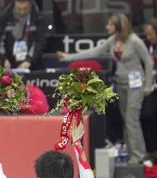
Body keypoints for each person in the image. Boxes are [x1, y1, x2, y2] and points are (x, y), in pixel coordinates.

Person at [58, 13, 153, 164]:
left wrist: (148, 84)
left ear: (118, 26)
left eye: (110, 24)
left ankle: (138, 155)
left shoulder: (134, 41)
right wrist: (68, 57)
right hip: (121, 83)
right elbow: (94, 52)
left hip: (136, 85)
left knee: (131, 120)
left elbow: (148, 61)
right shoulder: (112, 40)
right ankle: (130, 152)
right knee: (125, 119)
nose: (107, 27)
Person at [0, 50, 49, 114]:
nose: (15, 88)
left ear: (24, 86)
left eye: (18, 85)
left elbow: (41, 108)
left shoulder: (36, 92)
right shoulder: (7, 92)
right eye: (13, 86)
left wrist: (21, 107)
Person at [0, 0, 47, 71]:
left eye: (25, 9)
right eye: (19, 9)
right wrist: (3, 59)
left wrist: (29, 60)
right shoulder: (4, 16)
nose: (22, 12)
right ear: (14, 3)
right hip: (8, 65)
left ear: (30, 4)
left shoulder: (38, 17)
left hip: (33, 65)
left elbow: (40, 42)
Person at [141, 19, 157, 164]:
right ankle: (151, 149)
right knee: (146, 115)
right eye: (147, 35)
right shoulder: (145, 46)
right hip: (150, 88)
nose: (148, 37)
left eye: (151, 34)